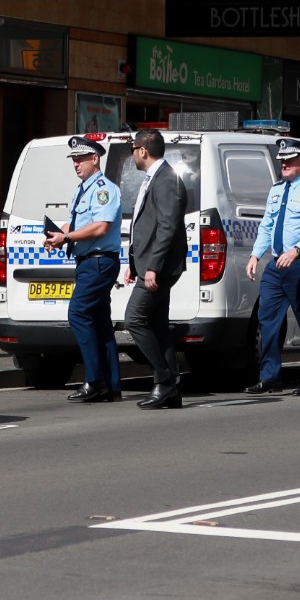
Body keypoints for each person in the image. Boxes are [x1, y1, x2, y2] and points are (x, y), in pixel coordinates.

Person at [244, 137, 300, 396]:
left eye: (290, 160)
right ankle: (269, 376)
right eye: (282, 160)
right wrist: (255, 255)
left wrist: (296, 250)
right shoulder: (276, 190)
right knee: (267, 319)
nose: (284, 164)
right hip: (277, 263)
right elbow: (267, 226)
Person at [44, 135, 124, 402]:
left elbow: (101, 227)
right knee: (100, 322)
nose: (75, 164)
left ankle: (94, 381)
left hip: (99, 261)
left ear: (95, 159)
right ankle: (110, 385)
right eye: (73, 160)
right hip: (89, 261)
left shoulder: (103, 189)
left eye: (80, 159)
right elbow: (74, 226)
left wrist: (66, 238)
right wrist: (57, 235)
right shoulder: (81, 189)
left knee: (78, 313)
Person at [124, 128, 189, 409]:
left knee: (134, 319)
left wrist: (152, 268)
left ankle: (163, 380)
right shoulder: (156, 178)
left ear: (143, 150)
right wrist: (134, 263)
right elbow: (145, 225)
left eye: (132, 149)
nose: (132, 155)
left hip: (160, 267)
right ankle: (171, 388)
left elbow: (167, 228)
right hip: (150, 264)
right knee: (158, 325)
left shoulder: (167, 180)